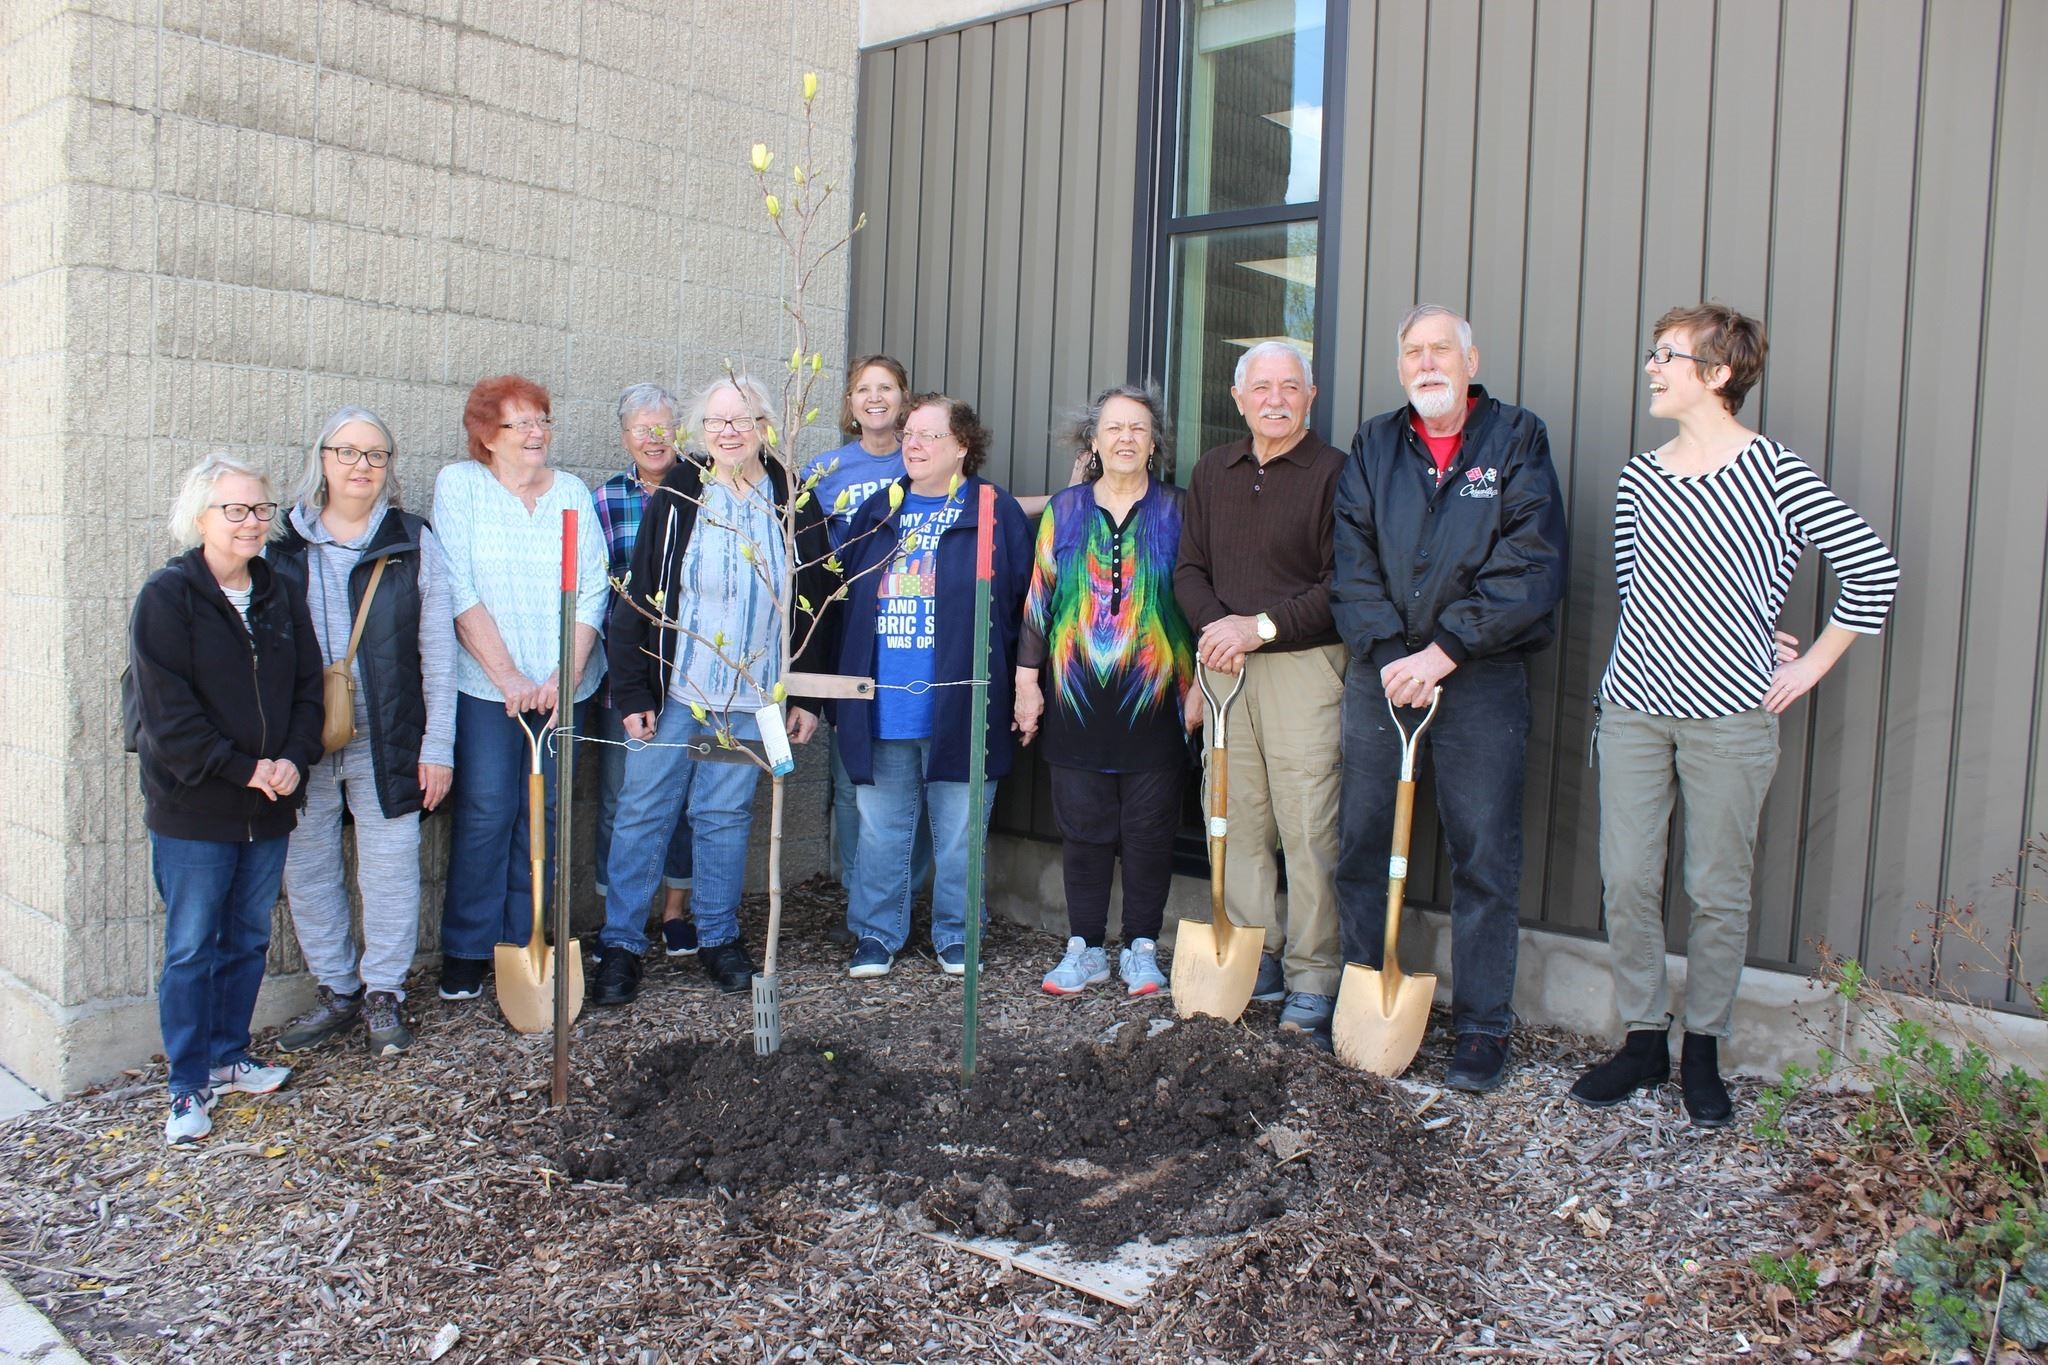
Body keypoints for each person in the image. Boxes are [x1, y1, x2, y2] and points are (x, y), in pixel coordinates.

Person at [1569, 303, 1898, 1125]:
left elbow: (1873, 569)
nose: (1651, 366)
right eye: (1652, 353)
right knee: (1630, 879)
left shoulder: (1776, 472)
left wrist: (1806, 662)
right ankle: (1644, 1037)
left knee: (1717, 888)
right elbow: (1643, 595)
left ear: (1717, 374)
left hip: (1729, 720)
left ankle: (1702, 1046)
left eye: (1667, 355)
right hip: (1636, 708)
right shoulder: (1640, 476)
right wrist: (1753, 626)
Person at [1331, 305, 1568, 1092]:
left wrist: (1444, 651)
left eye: (1441, 349)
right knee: (1362, 842)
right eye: (1412, 351)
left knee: (1484, 854)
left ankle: (1481, 1026)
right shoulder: (1374, 443)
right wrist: (1396, 654)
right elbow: (1351, 558)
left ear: (1472, 358)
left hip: (1479, 676)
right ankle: (1366, 987)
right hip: (1383, 673)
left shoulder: (1516, 439)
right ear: (1400, 365)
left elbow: (1531, 565)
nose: (1426, 362)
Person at [593, 374, 834, 1003]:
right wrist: (635, 693)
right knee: (643, 810)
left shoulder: (792, 498)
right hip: (677, 691)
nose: (728, 432)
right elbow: (638, 593)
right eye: (716, 422)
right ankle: (620, 944)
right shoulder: (680, 492)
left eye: (741, 419)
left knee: (723, 814)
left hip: (753, 698)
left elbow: (816, 604)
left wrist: (805, 695)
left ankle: (720, 938)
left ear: (764, 427)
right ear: (700, 433)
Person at [128, 453, 322, 1144]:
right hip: (196, 807)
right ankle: (187, 1083)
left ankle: (229, 1053)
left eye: (260, 509)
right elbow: (167, 715)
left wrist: (295, 760)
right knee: (190, 945)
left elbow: (307, 689)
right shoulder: (168, 597)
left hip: (268, 804)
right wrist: (244, 768)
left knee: (247, 935)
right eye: (234, 510)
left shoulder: (280, 588)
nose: (250, 522)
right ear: (200, 518)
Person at [1173, 340, 1349, 1034]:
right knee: (1233, 818)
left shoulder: (1335, 473)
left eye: (1289, 386)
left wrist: (1260, 628)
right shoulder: (1213, 469)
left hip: (1303, 663)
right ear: (1238, 399)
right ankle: (1257, 952)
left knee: (1309, 824)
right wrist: (1218, 630)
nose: (1275, 399)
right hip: (1225, 661)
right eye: (1261, 387)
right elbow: (1189, 567)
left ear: (1309, 397)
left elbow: (1342, 588)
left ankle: (1313, 972)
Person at [270, 407, 456, 1059]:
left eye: (376, 455)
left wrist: (438, 746)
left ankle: (384, 991)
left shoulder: (412, 542)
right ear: (321, 459)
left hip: (390, 738)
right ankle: (337, 989)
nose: (361, 466)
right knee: (309, 863)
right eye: (347, 452)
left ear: (389, 468)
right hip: (301, 738)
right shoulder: (281, 547)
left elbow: (438, 652)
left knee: (391, 868)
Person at [833, 394, 1033, 978]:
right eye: (908, 435)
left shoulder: (992, 510)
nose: (912, 445)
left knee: (960, 838)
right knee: (880, 834)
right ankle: (876, 934)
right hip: (882, 706)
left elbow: (1024, 607)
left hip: (964, 707)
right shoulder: (878, 510)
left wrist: (1023, 686)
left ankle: (957, 936)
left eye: (927, 435)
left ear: (962, 447)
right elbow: (842, 606)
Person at [1015, 385, 1197, 998]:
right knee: (1083, 830)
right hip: (1074, 701)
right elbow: (1038, 602)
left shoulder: (1181, 511)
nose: (1125, 438)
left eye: (1138, 429)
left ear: (1153, 443)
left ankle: (1141, 948)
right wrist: (1026, 684)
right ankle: (1085, 947)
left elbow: (1200, 605)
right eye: (1114, 428)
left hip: (1157, 701)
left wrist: (1199, 687)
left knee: (1149, 832)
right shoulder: (1063, 511)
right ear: (1093, 441)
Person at [432, 375, 609, 1002]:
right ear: (487, 436)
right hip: (486, 686)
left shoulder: (570, 494)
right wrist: (507, 675)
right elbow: (455, 584)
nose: (537, 433)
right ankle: (467, 948)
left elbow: (592, 586)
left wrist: (566, 674)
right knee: (486, 810)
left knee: (547, 815)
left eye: (543, 420)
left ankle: (524, 939)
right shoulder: (461, 487)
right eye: (520, 423)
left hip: (563, 686)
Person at [799, 355, 929, 913]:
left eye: (887, 388)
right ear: (850, 404)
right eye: (862, 389)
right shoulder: (824, 471)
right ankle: (861, 899)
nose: (874, 398)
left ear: (904, 397)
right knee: (854, 780)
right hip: (847, 636)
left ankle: (906, 896)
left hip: (909, 639)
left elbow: (979, 508)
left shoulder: (925, 459)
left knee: (918, 781)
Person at [592, 384, 695, 959]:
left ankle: (676, 912)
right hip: (628, 679)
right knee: (620, 800)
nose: (654, 440)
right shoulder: (602, 500)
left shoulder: (704, 491)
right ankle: (619, 920)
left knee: (682, 799)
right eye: (642, 429)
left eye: (664, 428)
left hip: (693, 675)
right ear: (625, 437)